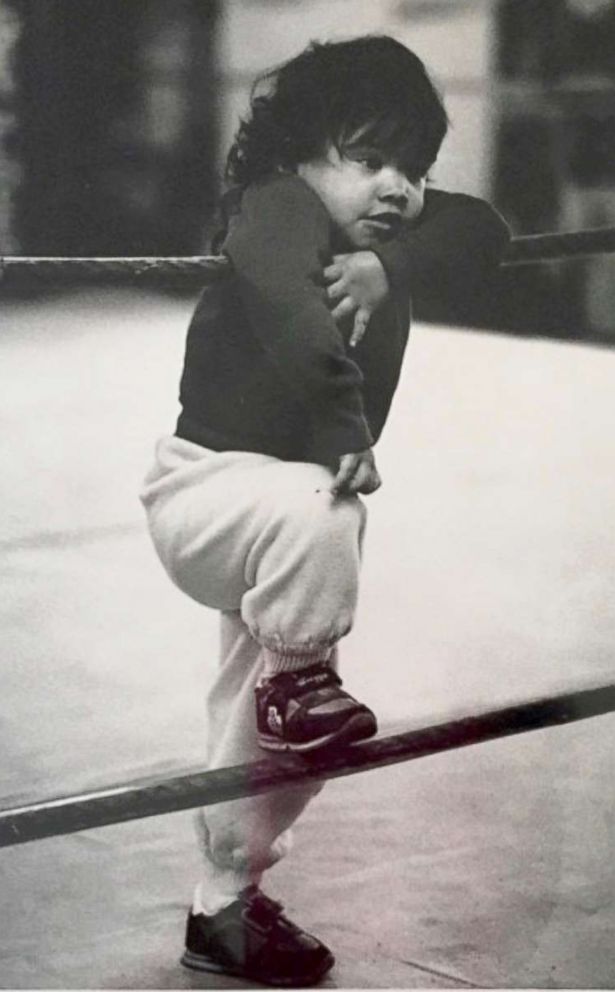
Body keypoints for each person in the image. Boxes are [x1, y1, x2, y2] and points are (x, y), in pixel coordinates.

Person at [140, 34, 510, 987]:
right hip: (211, 491)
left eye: (414, 168)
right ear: (298, 156)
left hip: (296, 525)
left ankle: (225, 904)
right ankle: (298, 676)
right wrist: (347, 422)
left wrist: (395, 269)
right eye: (368, 159)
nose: (398, 189)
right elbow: (295, 317)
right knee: (324, 506)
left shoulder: (384, 241)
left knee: (276, 742)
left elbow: (485, 228)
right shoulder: (273, 210)